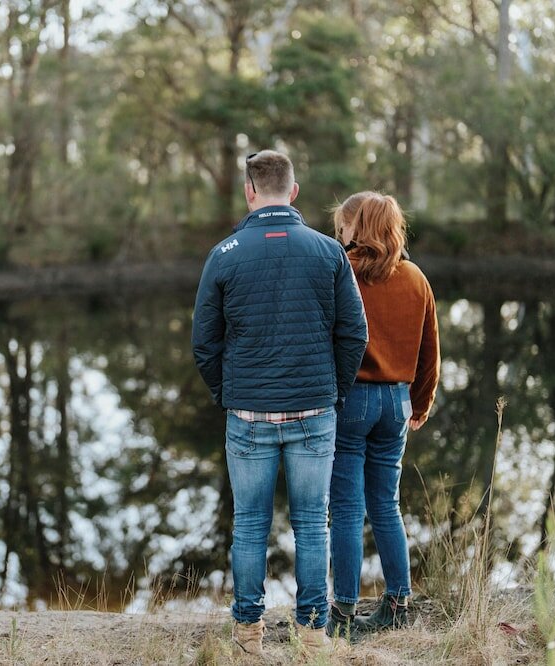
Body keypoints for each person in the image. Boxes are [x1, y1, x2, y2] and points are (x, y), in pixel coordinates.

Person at [191, 150, 368, 656]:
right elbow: (354, 334)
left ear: (250, 191)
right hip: (314, 413)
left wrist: (229, 393)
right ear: (293, 192)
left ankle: (248, 633)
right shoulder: (328, 252)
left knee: (249, 524)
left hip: (248, 417)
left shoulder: (224, 254)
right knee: (313, 523)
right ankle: (312, 635)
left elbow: (205, 343)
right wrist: (330, 391)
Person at [325, 191, 440, 639]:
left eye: (343, 227)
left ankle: (344, 612)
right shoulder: (416, 278)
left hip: (352, 401)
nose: (339, 234)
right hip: (397, 403)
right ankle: (398, 602)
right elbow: (431, 351)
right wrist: (421, 401)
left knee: (348, 509)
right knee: (386, 506)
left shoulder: (344, 273)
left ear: (361, 227)